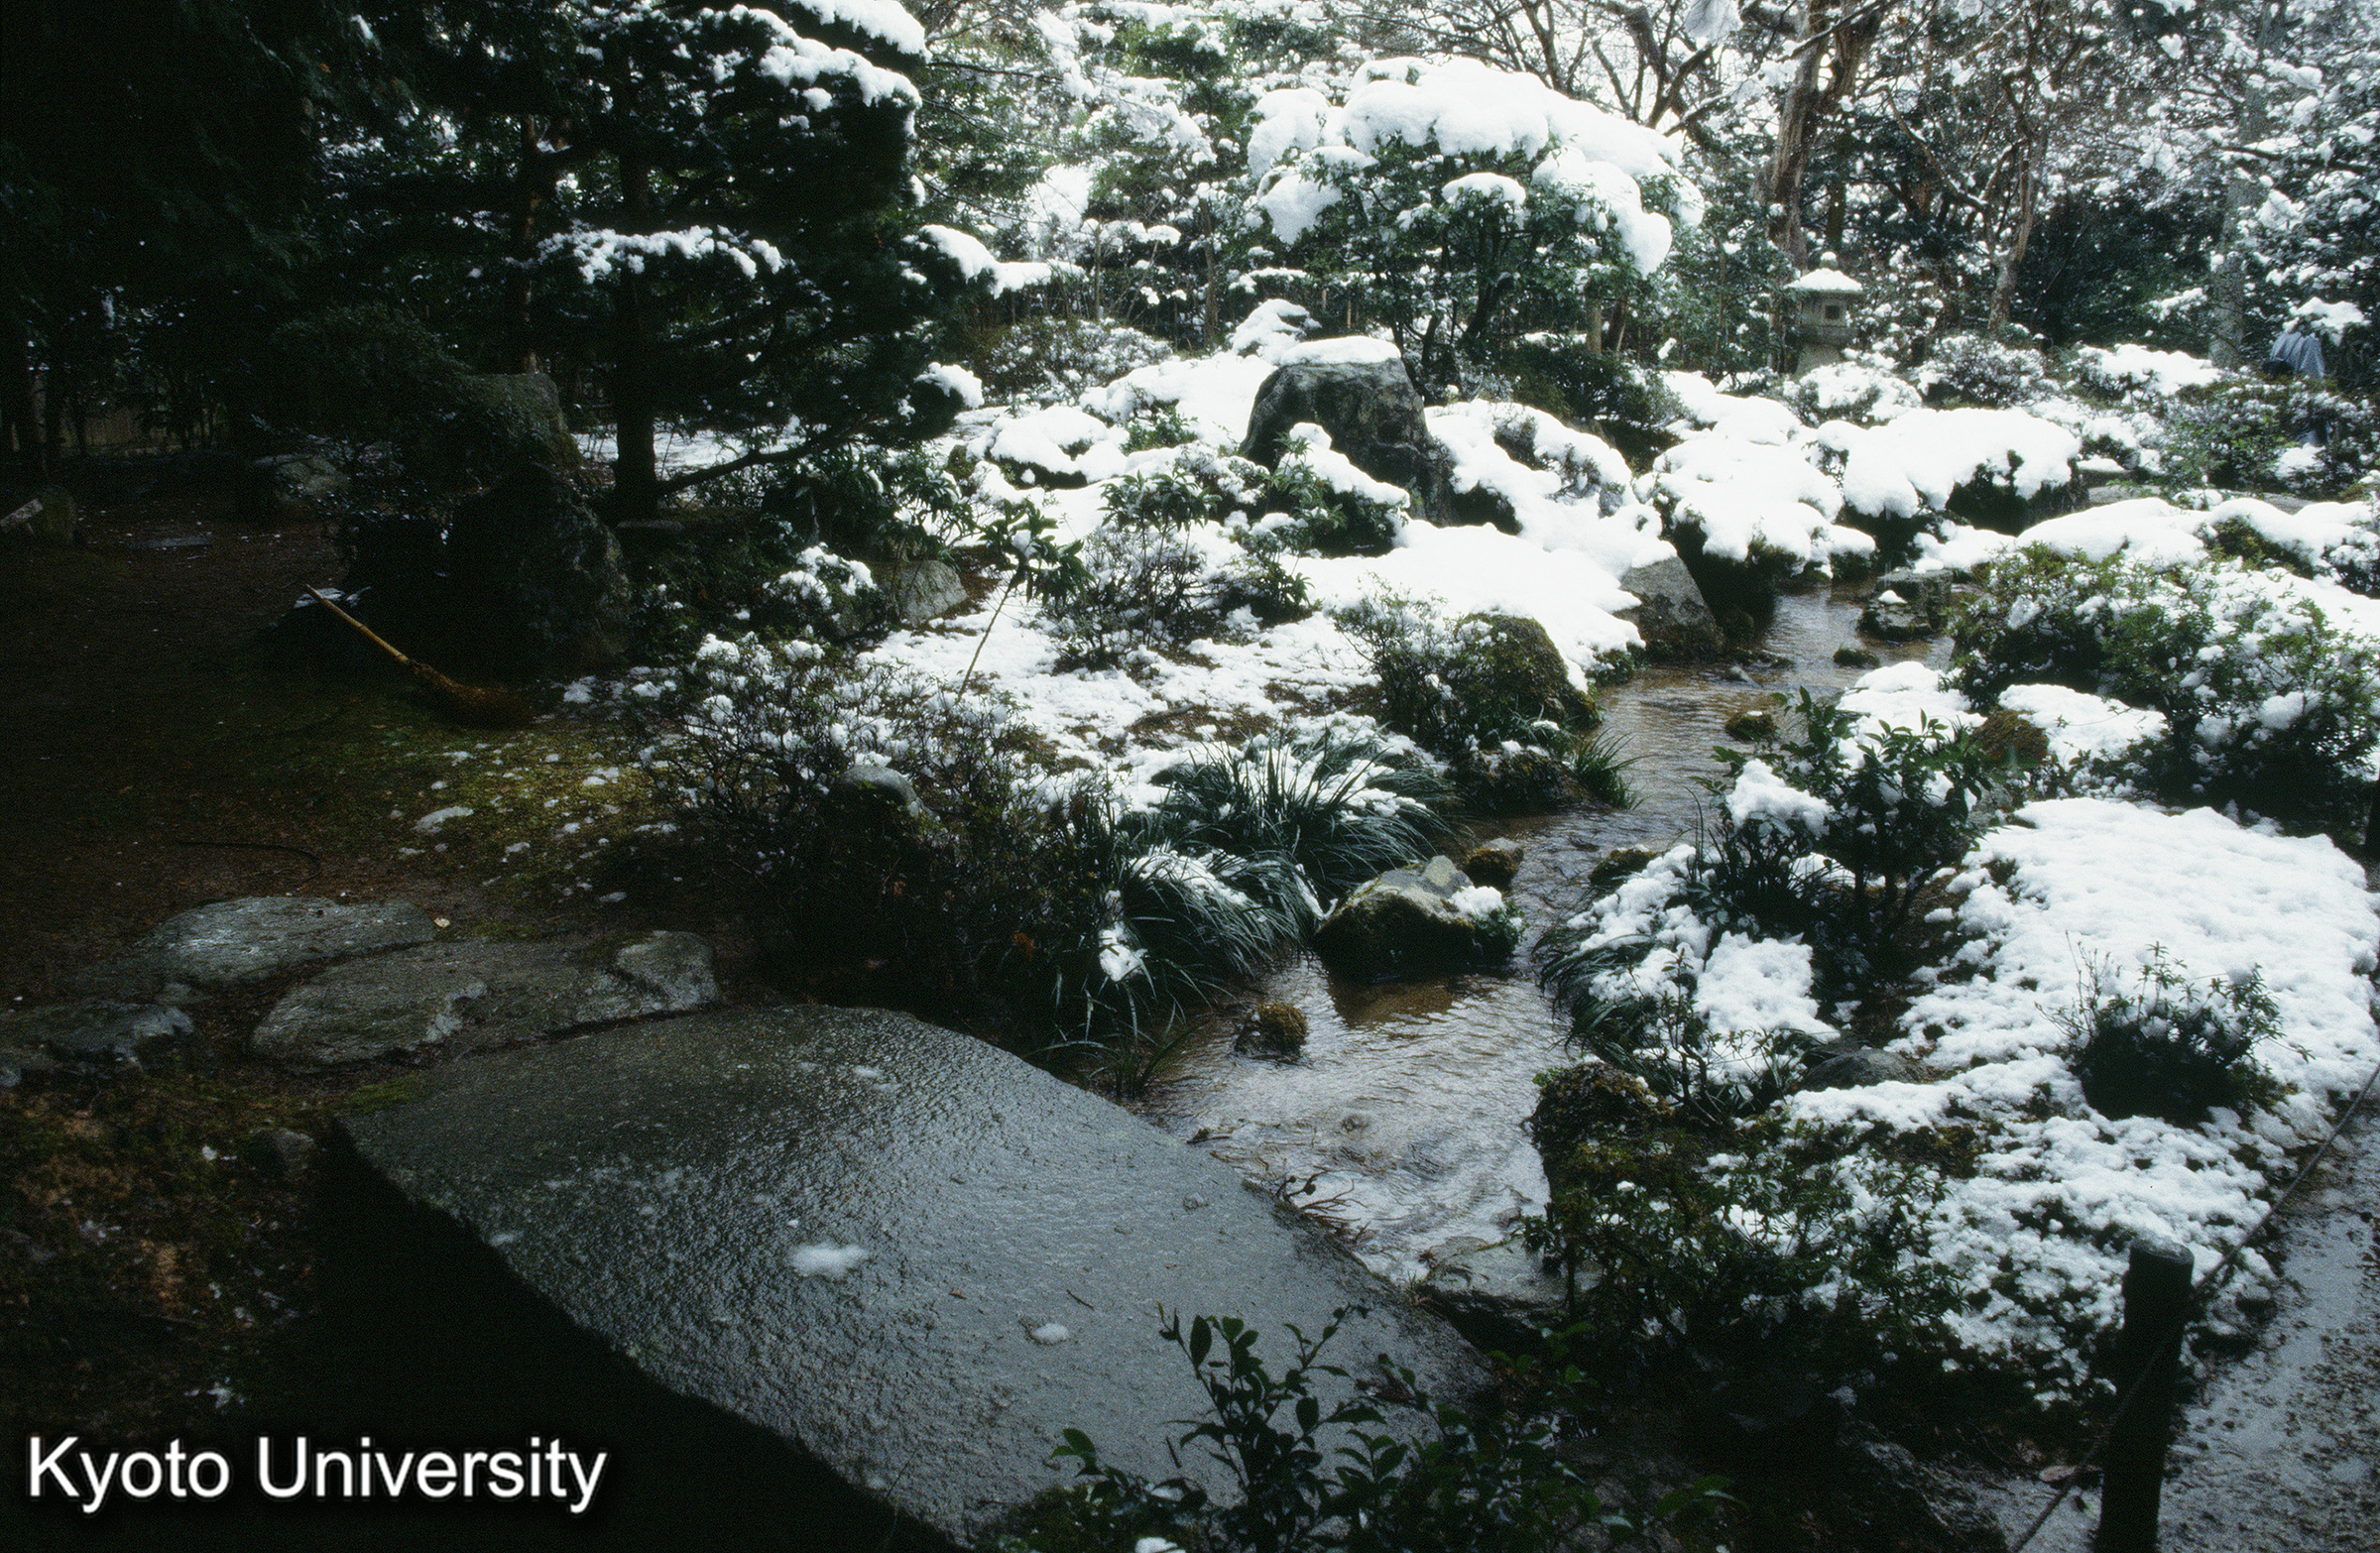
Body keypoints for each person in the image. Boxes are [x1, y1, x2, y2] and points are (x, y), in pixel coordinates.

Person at [2263, 323, 2328, 445]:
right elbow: (2313, 381)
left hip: (2282, 408)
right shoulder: (2310, 340)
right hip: (2303, 413)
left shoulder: (2283, 336)